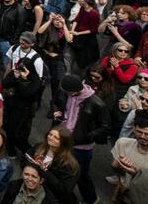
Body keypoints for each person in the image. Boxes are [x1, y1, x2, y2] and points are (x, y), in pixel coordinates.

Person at [54, 73, 108, 204]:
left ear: (76, 90)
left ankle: (91, 199)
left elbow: (105, 127)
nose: (66, 94)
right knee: (62, 170)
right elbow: (57, 104)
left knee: (81, 174)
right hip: (64, 139)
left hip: (81, 147)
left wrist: (86, 137)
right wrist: (59, 113)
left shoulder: (96, 103)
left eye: (68, 92)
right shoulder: (68, 94)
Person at [25, 126, 79, 204]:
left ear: (64, 142)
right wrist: (32, 164)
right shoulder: (39, 146)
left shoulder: (69, 165)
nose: (51, 138)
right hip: (34, 190)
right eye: (50, 134)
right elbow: (24, 159)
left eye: (56, 138)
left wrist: (44, 170)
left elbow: (64, 190)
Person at [110, 114, 148, 197]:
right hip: (122, 193)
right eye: (139, 132)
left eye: (147, 134)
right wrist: (116, 166)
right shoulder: (123, 143)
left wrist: (137, 174)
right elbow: (119, 172)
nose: (142, 136)